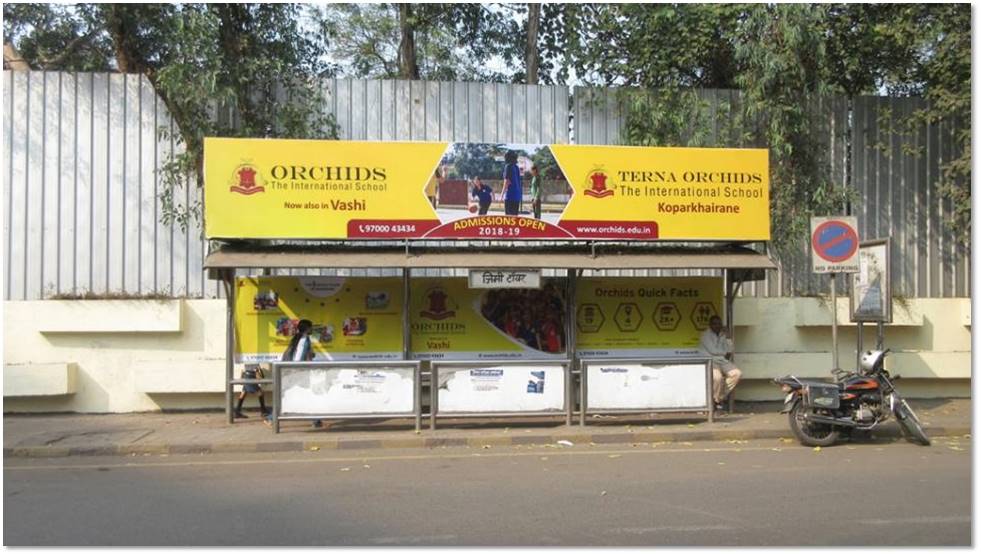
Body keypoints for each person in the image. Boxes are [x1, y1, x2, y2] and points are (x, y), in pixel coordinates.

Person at [700, 315, 742, 413]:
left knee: (737, 374)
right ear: (710, 325)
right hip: (710, 360)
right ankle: (716, 401)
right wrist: (724, 352)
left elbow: (730, 350)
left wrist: (727, 337)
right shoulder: (705, 335)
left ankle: (717, 399)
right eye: (714, 324)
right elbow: (713, 351)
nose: (717, 326)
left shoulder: (723, 335)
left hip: (722, 361)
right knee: (717, 378)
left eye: (719, 324)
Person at [501, 151, 522, 216]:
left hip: (510, 196)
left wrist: (502, 194)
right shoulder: (516, 167)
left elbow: (507, 181)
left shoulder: (508, 166)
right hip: (517, 196)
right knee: (515, 218)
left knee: (509, 219)